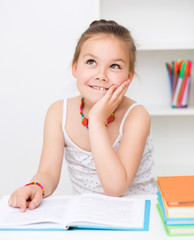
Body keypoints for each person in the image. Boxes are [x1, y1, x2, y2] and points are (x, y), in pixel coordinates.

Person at [8, 19, 157, 213]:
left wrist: (96, 121)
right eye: (91, 62)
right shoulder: (58, 113)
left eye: (115, 66)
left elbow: (115, 188)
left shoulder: (137, 116)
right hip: (89, 213)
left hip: (138, 212)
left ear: (128, 77)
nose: (101, 75)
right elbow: (48, 172)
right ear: (75, 68)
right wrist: (36, 186)